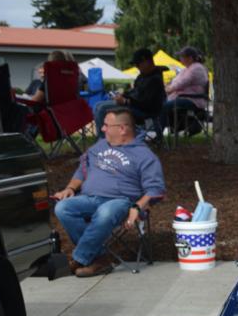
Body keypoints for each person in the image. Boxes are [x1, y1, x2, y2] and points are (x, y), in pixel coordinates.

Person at [52, 107, 165, 278]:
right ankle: (98, 258)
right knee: (63, 208)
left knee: (105, 212)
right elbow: (82, 171)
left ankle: (80, 258)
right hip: (89, 198)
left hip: (121, 202)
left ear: (122, 129)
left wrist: (137, 206)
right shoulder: (100, 145)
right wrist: (70, 189)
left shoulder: (144, 155)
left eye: (106, 125)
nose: (102, 129)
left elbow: (156, 188)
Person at [93, 48, 166, 134]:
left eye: (138, 64)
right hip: (134, 106)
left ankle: (105, 142)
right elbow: (135, 92)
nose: (136, 67)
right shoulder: (142, 76)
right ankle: (105, 139)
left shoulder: (155, 80)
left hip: (144, 112)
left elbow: (147, 104)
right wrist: (123, 95)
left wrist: (126, 101)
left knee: (102, 109)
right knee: (97, 105)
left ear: (147, 62)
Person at [161, 46, 210, 135]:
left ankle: (159, 134)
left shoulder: (196, 68)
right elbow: (176, 81)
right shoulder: (189, 68)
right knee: (160, 104)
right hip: (185, 97)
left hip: (193, 100)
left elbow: (182, 83)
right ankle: (170, 128)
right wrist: (168, 87)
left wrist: (169, 89)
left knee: (163, 107)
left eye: (182, 57)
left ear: (190, 58)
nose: (180, 59)